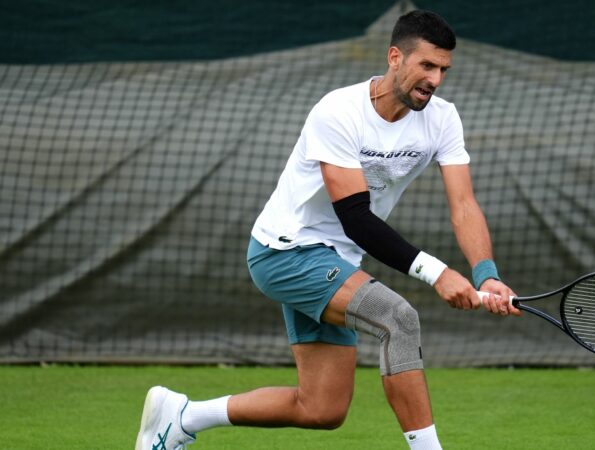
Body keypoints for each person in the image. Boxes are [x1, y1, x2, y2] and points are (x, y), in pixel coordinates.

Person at [135, 10, 520, 450]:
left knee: (321, 408)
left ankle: (183, 416)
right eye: (427, 66)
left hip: (336, 262)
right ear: (395, 57)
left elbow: (464, 205)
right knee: (400, 319)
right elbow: (354, 218)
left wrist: (484, 272)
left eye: (443, 70)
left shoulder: (443, 119)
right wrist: (437, 273)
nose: (435, 80)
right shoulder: (338, 111)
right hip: (286, 253)